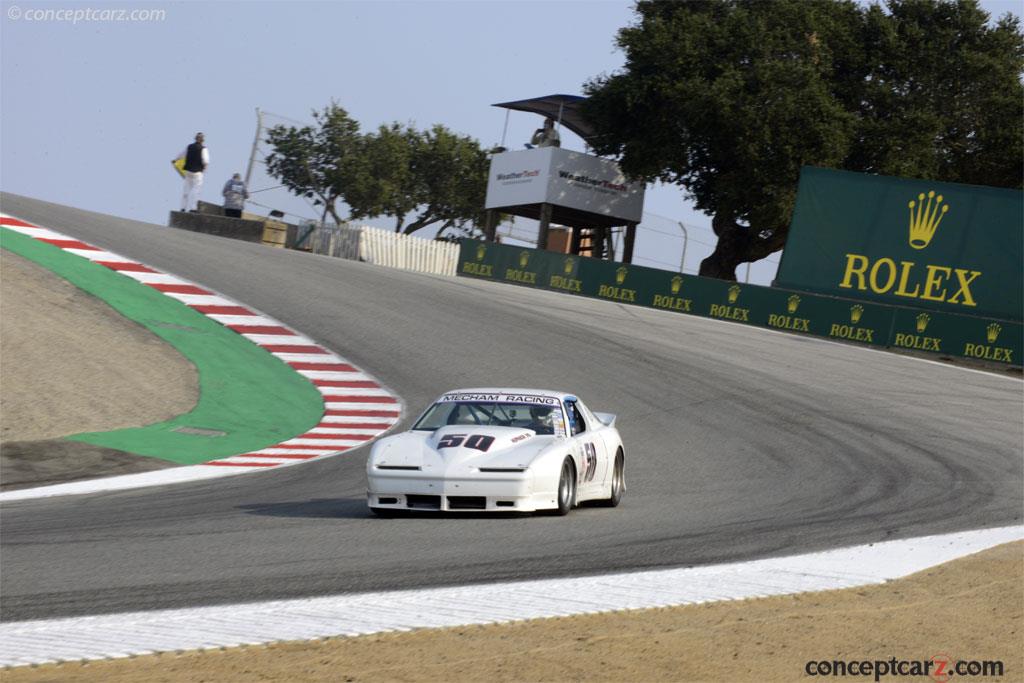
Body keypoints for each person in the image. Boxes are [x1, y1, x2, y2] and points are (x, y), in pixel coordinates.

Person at [173, 132, 209, 212]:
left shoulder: (189, 147)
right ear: (202, 140)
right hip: (198, 173)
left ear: (195, 138)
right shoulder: (203, 149)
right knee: (196, 190)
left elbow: (181, 155)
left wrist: (175, 160)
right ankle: (193, 208)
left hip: (188, 171)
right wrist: (204, 170)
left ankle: (183, 207)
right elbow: (206, 161)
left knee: (186, 190)